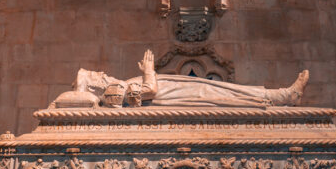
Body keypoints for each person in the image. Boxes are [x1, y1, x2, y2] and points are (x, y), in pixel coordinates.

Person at [55, 49, 310, 107]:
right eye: (96, 75)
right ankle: (282, 96)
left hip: (175, 89)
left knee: (221, 89)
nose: (102, 73)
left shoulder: (115, 86)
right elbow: (150, 91)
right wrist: (148, 70)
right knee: (224, 95)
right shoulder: (113, 91)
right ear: (95, 85)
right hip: (172, 96)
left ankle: (282, 95)